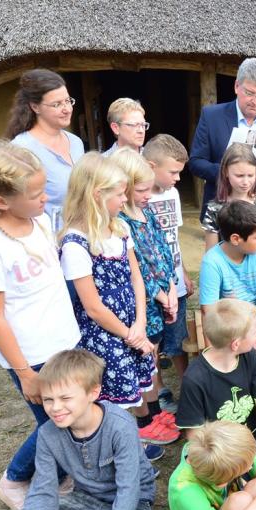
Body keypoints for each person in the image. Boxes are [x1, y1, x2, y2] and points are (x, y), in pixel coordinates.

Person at [0, 141, 81, 510]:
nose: (45, 198)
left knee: (68, 413)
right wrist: (25, 373)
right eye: (35, 194)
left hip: (64, 341)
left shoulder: (41, 221)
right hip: (32, 355)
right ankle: (14, 479)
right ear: (1, 201)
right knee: (55, 422)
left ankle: (61, 475)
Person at [58, 153, 179, 449]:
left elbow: (136, 278)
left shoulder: (119, 229)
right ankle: (121, 445)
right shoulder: (76, 244)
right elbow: (93, 307)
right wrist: (129, 335)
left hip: (132, 325)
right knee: (115, 392)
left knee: (138, 381)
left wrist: (139, 322)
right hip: (106, 335)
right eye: (120, 194)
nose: (124, 200)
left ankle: (138, 434)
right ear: (97, 195)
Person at [0, 349, 157, 510]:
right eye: (48, 399)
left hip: (132, 504)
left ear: (93, 393)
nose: (56, 407)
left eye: (65, 398)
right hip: (84, 499)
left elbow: (129, 490)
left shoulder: (120, 426)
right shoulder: (48, 433)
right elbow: (43, 492)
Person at [111, 148, 180, 433]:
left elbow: (164, 251)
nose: (148, 194)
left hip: (163, 300)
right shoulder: (121, 223)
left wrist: (172, 288)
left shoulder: (146, 212)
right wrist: (161, 295)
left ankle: (154, 411)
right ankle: (145, 419)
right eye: (141, 190)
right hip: (144, 305)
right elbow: (135, 266)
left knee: (152, 358)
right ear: (123, 188)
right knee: (142, 360)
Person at [175, 298, 256, 460]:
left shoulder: (251, 358)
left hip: (253, 443)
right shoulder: (194, 379)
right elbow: (195, 435)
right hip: (220, 454)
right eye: (254, 332)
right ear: (236, 344)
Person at [190, 57, 256, 217]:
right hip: (223, 211)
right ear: (237, 86)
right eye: (249, 93)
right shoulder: (212, 116)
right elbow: (196, 162)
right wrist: (226, 171)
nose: (255, 101)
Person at [142, 134, 193, 412]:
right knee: (153, 341)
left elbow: (174, 236)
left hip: (176, 282)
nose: (177, 179)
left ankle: (189, 385)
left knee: (178, 337)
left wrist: (182, 271)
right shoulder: (139, 198)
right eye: (173, 172)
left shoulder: (172, 194)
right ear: (151, 166)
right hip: (152, 288)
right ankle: (159, 388)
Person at [6, 69, 85, 228]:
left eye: (68, 101)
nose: (67, 109)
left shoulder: (76, 142)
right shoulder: (22, 149)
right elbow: (16, 207)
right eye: (57, 104)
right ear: (35, 107)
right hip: (50, 242)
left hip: (84, 235)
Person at [198, 200, 256, 359]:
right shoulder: (212, 262)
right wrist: (214, 355)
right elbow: (209, 311)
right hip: (230, 327)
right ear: (236, 239)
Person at [202, 143, 256, 252]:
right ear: (225, 172)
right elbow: (211, 252)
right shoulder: (215, 209)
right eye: (239, 176)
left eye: (251, 175)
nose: (246, 182)